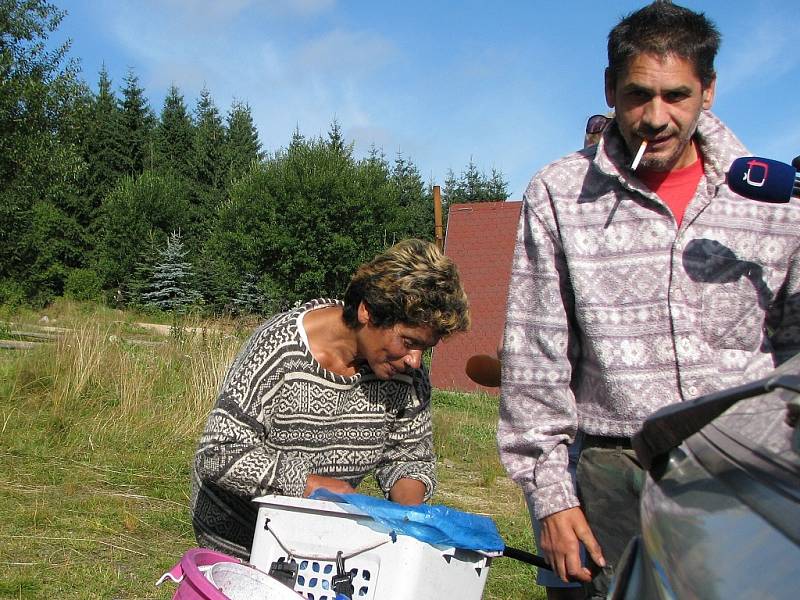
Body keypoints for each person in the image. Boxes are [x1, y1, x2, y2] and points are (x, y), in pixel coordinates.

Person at [497, 2, 800, 599]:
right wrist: (551, 498)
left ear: (708, 90)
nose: (656, 117)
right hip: (610, 474)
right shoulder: (559, 195)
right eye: (638, 94)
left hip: (744, 472)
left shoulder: (775, 200)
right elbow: (536, 359)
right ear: (609, 88)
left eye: (677, 96)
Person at [191, 238, 470, 559]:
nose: (415, 361)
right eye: (408, 342)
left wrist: (409, 519)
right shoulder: (280, 349)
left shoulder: (407, 376)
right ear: (368, 310)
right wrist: (308, 484)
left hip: (317, 535)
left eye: (425, 348)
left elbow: (409, 459)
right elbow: (217, 454)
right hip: (238, 534)